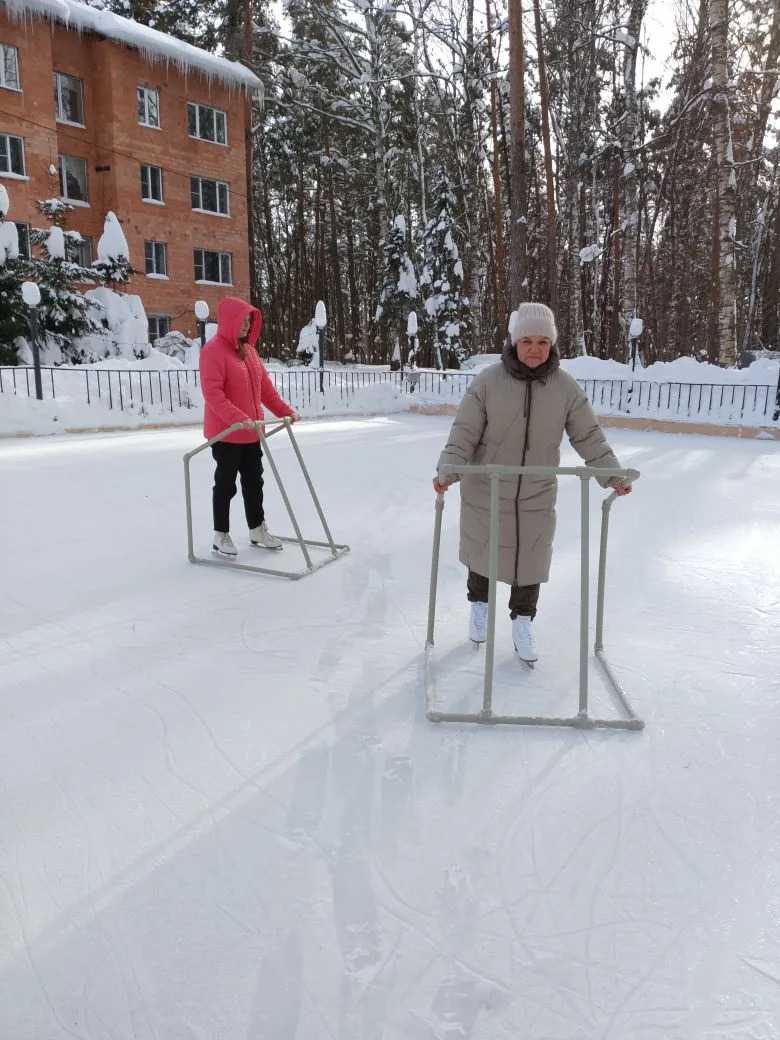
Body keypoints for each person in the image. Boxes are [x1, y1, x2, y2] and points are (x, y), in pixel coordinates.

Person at [434, 302, 631, 664]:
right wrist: (449, 471)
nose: (535, 349)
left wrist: (611, 474)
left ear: (553, 344)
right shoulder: (488, 382)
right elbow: (463, 433)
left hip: (536, 492)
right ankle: (479, 607)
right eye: (527, 340)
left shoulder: (565, 387)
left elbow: (588, 435)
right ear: (513, 342)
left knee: (531, 559)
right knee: (483, 553)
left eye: (543, 341)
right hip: (487, 489)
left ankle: (523, 622)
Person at [199, 296, 299, 559]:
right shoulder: (213, 351)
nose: (246, 325)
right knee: (226, 484)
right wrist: (237, 418)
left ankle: (257, 528)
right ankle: (221, 534)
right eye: (242, 320)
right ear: (229, 321)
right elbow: (213, 394)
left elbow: (265, 390)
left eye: (248, 321)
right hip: (227, 433)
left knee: (255, 482)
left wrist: (285, 411)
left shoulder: (250, 352)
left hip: (252, 431)